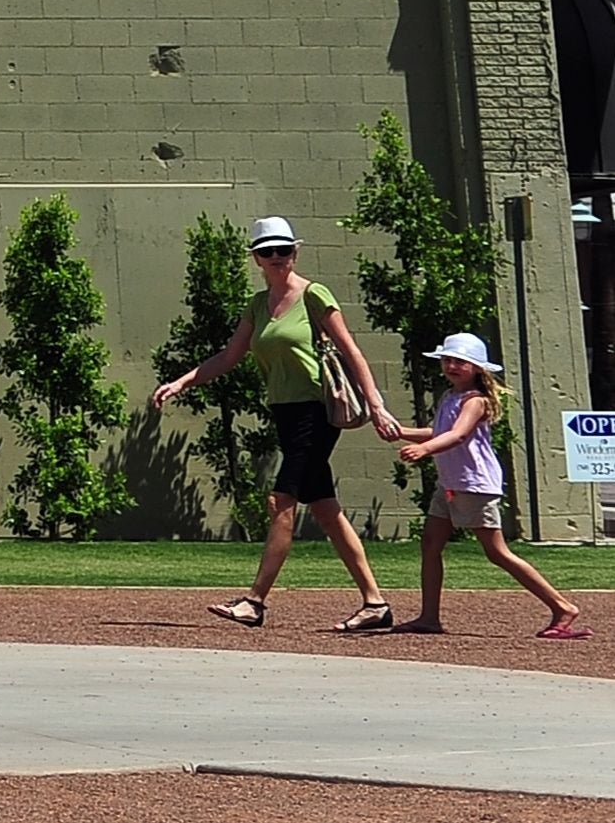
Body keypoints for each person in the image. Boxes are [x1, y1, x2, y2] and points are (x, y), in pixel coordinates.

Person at [151, 214, 403, 633]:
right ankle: (375, 603)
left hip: (316, 412)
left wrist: (376, 404)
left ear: (295, 252)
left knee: (280, 501)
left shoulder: (315, 295)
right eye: (267, 252)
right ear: (256, 259)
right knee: (324, 507)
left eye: (283, 250)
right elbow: (228, 357)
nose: (276, 258)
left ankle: (255, 602)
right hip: (285, 412)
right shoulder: (257, 305)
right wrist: (181, 382)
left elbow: (351, 351)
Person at [383, 332, 588, 640]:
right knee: (430, 544)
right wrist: (402, 433)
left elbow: (459, 435)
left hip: (474, 485)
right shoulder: (450, 396)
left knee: (497, 552)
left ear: (477, 368)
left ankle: (562, 607)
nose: (451, 366)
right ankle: (428, 617)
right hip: (451, 483)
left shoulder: (475, 400)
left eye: (460, 362)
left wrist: (425, 450)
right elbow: (439, 431)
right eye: (448, 360)